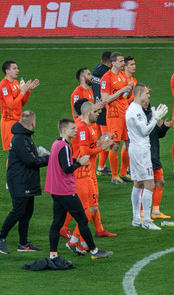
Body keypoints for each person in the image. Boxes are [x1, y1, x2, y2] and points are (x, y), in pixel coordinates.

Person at [45, 117, 112, 261]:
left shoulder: (56, 144)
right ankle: (93, 250)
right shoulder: (65, 147)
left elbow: (65, 162)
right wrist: (79, 163)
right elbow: (67, 168)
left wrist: (75, 161)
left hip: (55, 190)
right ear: (64, 130)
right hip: (66, 190)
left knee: (56, 222)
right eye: (72, 129)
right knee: (82, 219)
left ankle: (53, 254)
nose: (76, 130)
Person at [63, 98, 117, 253]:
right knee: (91, 207)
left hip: (88, 171)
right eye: (95, 111)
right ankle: (74, 241)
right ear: (87, 112)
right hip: (81, 172)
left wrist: (104, 142)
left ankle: (85, 242)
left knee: (91, 205)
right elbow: (85, 153)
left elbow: (92, 145)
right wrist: (103, 147)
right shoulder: (81, 128)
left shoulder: (89, 127)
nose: (97, 113)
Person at [0, 110, 48, 255]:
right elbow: (30, 160)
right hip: (19, 181)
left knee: (27, 212)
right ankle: (1, 237)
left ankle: (23, 243)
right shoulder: (21, 138)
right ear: (32, 123)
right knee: (18, 211)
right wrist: (48, 158)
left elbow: (30, 157)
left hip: (25, 180)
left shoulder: (24, 137)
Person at [125, 84, 168, 231]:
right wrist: (155, 118)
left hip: (135, 149)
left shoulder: (135, 108)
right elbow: (145, 131)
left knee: (138, 184)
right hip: (141, 151)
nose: (148, 97)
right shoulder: (136, 111)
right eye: (146, 94)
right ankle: (147, 220)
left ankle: (136, 218)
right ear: (139, 94)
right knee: (150, 184)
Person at [99, 52, 132, 184]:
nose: (123, 63)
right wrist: (121, 91)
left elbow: (126, 96)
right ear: (113, 63)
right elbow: (105, 99)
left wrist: (129, 90)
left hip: (125, 113)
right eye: (120, 61)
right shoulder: (106, 78)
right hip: (114, 115)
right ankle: (114, 176)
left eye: (123, 61)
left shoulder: (123, 75)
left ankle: (123, 173)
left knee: (128, 142)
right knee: (115, 144)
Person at [1, 61, 40, 158]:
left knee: (21, 151)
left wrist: (28, 91)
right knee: (14, 153)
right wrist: (22, 91)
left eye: (17, 68)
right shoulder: (4, 85)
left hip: (18, 122)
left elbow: (21, 103)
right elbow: (11, 105)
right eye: (14, 68)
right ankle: (11, 173)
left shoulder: (16, 83)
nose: (17, 70)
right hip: (9, 122)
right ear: (7, 71)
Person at [144, 97, 172, 221]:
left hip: (154, 156)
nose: (148, 97)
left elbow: (157, 134)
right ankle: (141, 213)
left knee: (160, 182)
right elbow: (146, 132)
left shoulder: (151, 114)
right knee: (144, 185)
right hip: (146, 156)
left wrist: (164, 127)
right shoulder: (139, 116)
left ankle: (155, 211)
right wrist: (155, 122)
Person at [93, 50, 111, 174]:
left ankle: (99, 165)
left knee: (99, 138)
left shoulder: (96, 69)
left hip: (95, 108)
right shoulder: (107, 73)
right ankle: (100, 167)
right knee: (107, 139)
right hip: (104, 109)